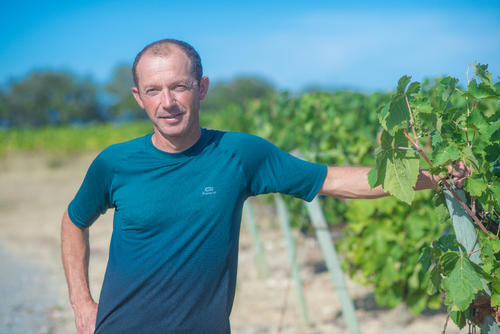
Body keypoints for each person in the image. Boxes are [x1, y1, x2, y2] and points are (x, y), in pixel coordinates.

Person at [61, 39, 467, 334]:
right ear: (139, 97)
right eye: (154, 90)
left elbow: (334, 180)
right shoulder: (115, 164)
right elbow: (73, 221)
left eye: (179, 86)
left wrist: (434, 175)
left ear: (201, 88)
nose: (167, 102)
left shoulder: (241, 154)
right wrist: (82, 302)